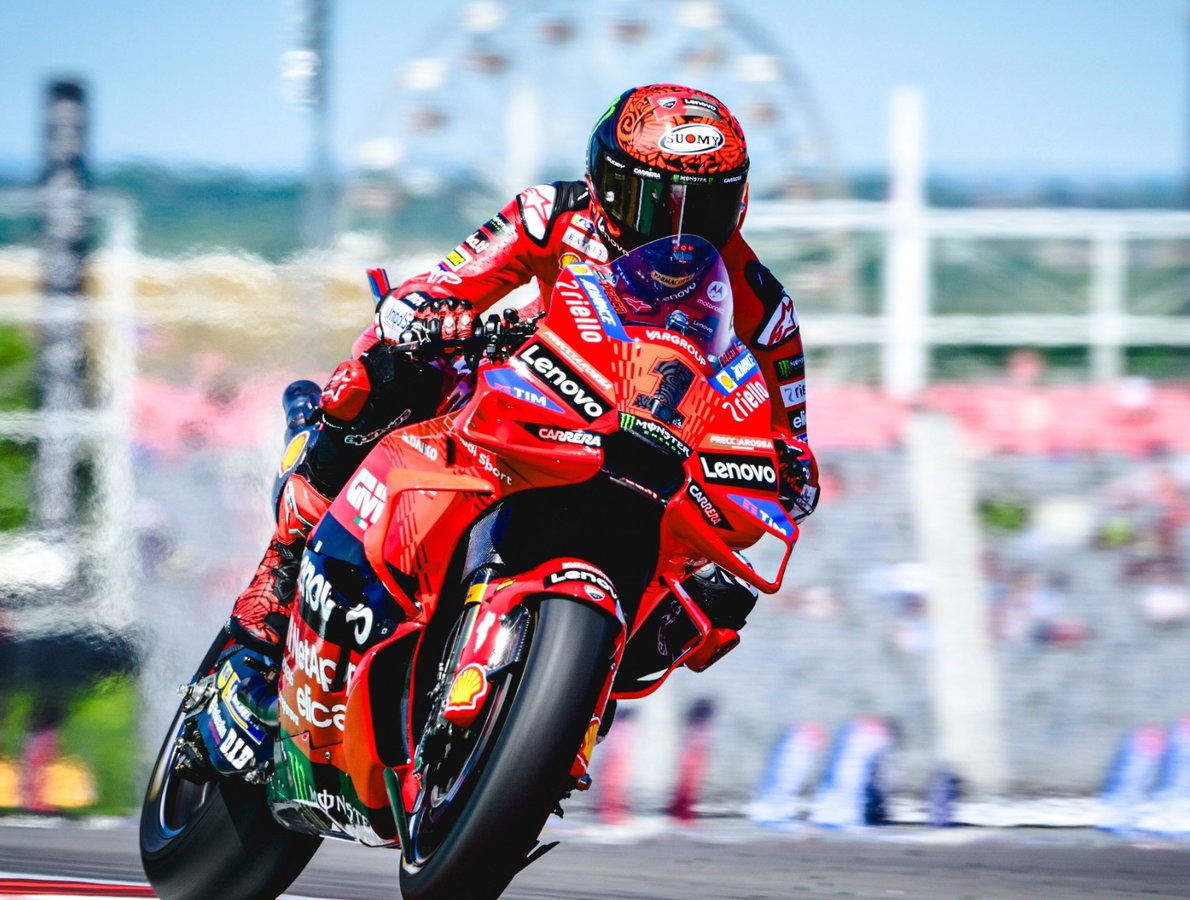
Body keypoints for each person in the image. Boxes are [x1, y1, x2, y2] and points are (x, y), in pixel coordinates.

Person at [193, 84, 819, 778]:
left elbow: (790, 438)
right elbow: (448, 283)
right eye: (654, 201)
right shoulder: (551, 214)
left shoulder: (762, 303)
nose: (677, 232)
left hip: (646, 453)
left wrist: (788, 478)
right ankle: (274, 592)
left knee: (720, 596)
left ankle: (563, 705)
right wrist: (428, 319)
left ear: (738, 201)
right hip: (521, 395)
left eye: (701, 206)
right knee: (382, 371)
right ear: (605, 184)